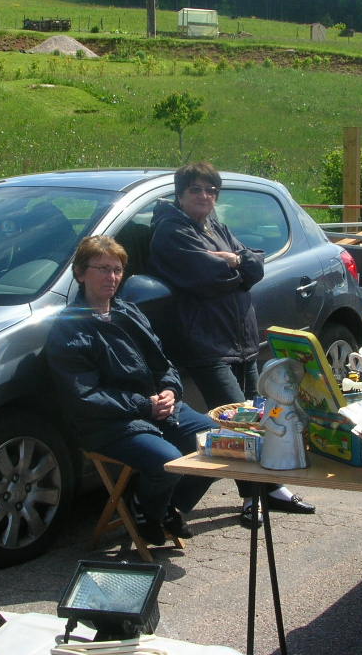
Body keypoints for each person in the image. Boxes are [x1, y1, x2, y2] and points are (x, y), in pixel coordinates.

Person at [148, 161, 315, 527]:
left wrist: (236, 260)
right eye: (196, 190)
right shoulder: (171, 232)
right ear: (180, 194)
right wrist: (239, 270)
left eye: (211, 190)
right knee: (233, 427)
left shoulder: (214, 226)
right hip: (206, 344)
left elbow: (255, 265)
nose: (205, 196)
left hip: (241, 339)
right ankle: (190, 505)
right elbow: (206, 277)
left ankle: (263, 491)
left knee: (254, 420)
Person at [46, 235, 219, 546]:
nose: (111, 277)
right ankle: (149, 511)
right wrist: (145, 406)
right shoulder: (69, 327)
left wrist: (170, 390)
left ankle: (163, 508)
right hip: (106, 422)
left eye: (116, 269)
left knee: (220, 443)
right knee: (167, 462)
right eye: (101, 269)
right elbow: (85, 395)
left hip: (154, 409)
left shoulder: (129, 312)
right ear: (81, 273)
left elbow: (162, 363)